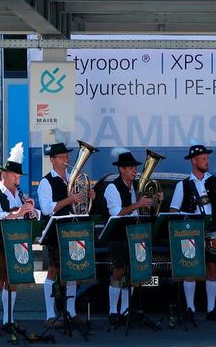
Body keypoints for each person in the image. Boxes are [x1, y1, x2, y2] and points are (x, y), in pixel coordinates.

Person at [169, 141, 216, 322]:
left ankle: (211, 309)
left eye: (207, 158)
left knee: (212, 267)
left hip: (212, 228)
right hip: (191, 231)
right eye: (203, 158)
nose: (207, 161)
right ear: (194, 161)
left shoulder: (214, 181)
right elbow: (173, 211)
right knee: (190, 268)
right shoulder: (183, 185)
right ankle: (190, 308)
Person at [0, 142, 40, 336]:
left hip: (17, 243)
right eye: (14, 176)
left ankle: (9, 320)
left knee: (12, 282)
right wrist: (17, 213)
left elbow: (35, 216)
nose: (17, 179)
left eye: (19, 176)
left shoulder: (20, 195)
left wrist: (32, 210)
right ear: (4, 175)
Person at [37, 138, 94, 328]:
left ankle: (71, 312)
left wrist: (89, 197)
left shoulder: (73, 178)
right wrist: (69, 199)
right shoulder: (46, 182)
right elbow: (47, 209)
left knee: (73, 271)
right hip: (55, 231)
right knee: (53, 270)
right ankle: (50, 315)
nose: (66, 159)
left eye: (67, 156)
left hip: (72, 230)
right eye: (62, 157)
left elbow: (82, 206)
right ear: (52, 159)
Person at [103, 147, 153, 326]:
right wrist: (138, 204)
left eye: (134, 167)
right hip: (117, 235)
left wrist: (155, 200)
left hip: (133, 234)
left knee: (132, 272)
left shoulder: (134, 186)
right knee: (118, 271)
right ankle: (112, 311)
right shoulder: (112, 187)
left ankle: (125, 309)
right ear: (121, 169)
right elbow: (117, 213)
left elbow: (138, 210)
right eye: (131, 168)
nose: (134, 171)